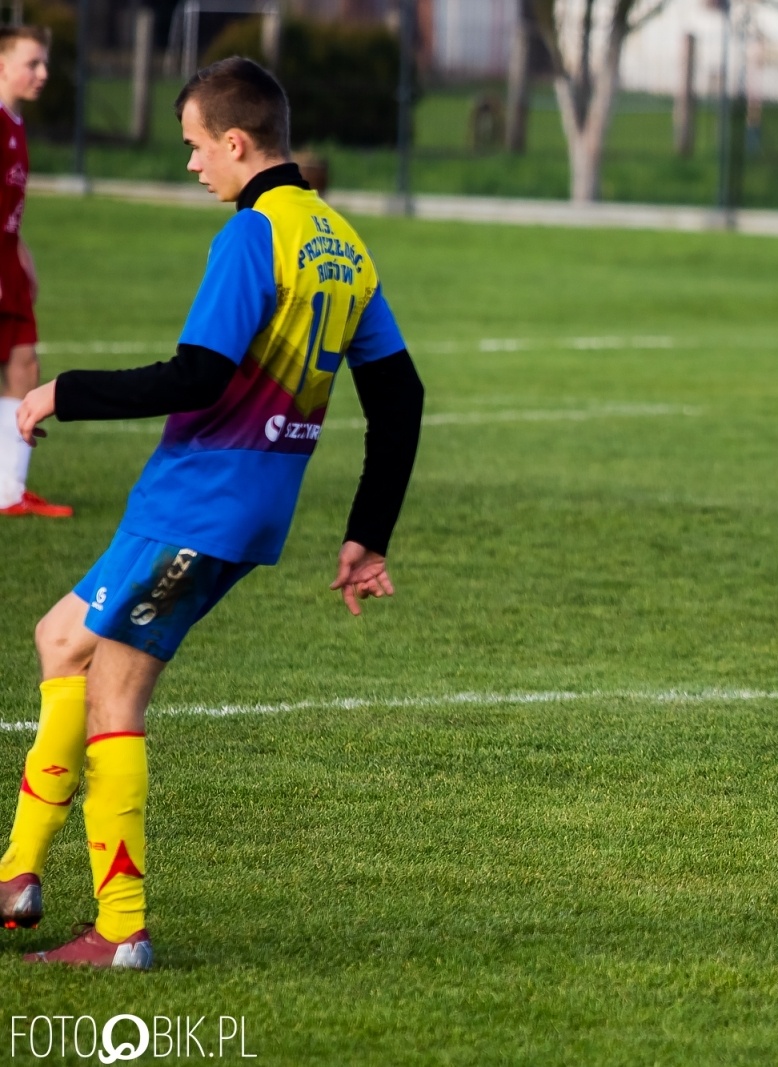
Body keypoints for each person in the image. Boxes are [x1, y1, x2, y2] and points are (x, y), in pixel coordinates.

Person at [0, 56, 425, 968]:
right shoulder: (342, 241)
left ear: (236, 142)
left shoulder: (252, 235)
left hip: (200, 503)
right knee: (61, 638)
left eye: (195, 146)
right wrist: (369, 533)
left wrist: (64, 391)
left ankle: (120, 928)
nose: (192, 163)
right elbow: (401, 395)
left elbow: (197, 374)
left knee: (114, 691)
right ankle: (16, 876)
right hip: (232, 503)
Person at [0, 26, 69, 518]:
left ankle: (9, 491)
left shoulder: (15, 123)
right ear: (2, 65)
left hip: (9, 262)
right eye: (32, 63)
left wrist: (22, 255)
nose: (42, 73)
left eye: (44, 63)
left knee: (24, 366)